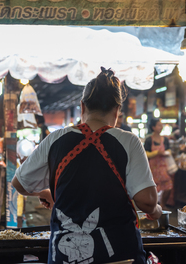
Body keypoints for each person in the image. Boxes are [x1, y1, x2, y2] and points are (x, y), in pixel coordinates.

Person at [12, 67, 161, 264]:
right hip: (119, 255)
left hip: (66, 256)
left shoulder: (55, 139)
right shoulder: (129, 141)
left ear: (82, 107)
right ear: (117, 110)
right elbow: (147, 201)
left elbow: (20, 183)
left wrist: (47, 193)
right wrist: (156, 211)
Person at [144, 118, 173, 210]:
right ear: (153, 127)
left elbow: (169, 150)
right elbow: (145, 153)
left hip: (163, 166)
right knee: (154, 188)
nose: (161, 127)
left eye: (161, 125)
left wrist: (166, 152)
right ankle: (154, 207)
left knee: (169, 186)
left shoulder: (165, 139)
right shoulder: (149, 140)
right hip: (153, 167)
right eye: (159, 125)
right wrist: (157, 153)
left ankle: (162, 205)